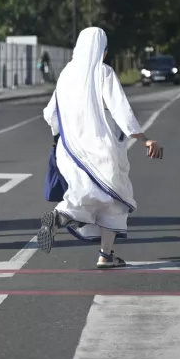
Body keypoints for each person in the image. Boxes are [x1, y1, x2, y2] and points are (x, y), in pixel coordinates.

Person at [37, 27, 163, 269]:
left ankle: (69, 224)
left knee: (84, 193)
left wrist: (61, 135)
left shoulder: (66, 74)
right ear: (101, 50)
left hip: (69, 151)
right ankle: (97, 248)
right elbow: (121, 109)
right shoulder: (103, 72)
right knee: (115, 201)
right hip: (101, 150)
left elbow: (50, 113)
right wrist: (144, 138)